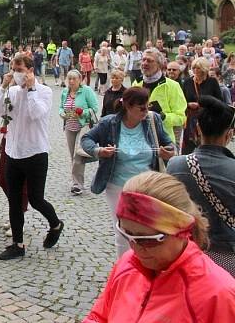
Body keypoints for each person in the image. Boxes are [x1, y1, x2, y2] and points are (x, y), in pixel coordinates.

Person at [84, 172, 235, 322]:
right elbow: (99, 316)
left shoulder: (218, 294)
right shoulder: (128, 264)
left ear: (182, 231)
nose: (135, 248)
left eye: (149, 240)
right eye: (127, 234)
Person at [81, 87, 175, 257]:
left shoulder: (152, 120)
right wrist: (99, 151)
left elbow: (170, 144)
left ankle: (145, 267)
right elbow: (86, 139)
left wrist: (168, 151)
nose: (146, 111)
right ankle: (124, 270)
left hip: (147, 187)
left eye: (147, 106)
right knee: (123, 231)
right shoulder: (109, 123)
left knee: (148, 231)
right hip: (117, 186)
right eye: (142, 108)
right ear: (128, 107)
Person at [0, 54, 64, 260]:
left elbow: (36, 113)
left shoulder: (45, 91)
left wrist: (31, 89)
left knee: (35, 198)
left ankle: (55, 224)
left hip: (35, 153)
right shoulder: (12, 92)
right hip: (13, 152)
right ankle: (18, 243)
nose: (16, 73)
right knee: (14, 201)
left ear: (30, 71)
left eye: (20, 69)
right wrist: (3, 87)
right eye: (13, 69)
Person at [167, 96, 235, 275]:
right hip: (227, 255)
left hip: (186, 254)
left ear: (197, 129)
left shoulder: (175, 165)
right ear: (229, 134)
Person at [132, 48, 187, 144]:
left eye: (149, 61)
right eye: (143, 60)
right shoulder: (136, 84)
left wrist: (162, 117)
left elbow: (181, 118)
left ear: (159, 65)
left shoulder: (172, 86)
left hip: (163, 141)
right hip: (140, 140)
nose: (145, 63)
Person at [60, 70, 100, 195]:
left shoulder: (86, 91)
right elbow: (61, 107)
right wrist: (62, 114)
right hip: (69, 126)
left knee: (78, 155)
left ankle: (77, 184)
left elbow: (94, 108)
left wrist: (82, 112)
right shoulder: (65, 91)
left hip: (84, 126)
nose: (71, 81)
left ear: (80, 80)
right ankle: (76, 180)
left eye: (74, 79)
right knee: (73, 155)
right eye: (69, 79)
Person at [181, 57, 223, 154]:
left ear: (204, 69)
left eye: (198, 68)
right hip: (191, 119)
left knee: (206, 145)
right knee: (189, 145)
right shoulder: (188, 82)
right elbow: (182, 100)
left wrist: (202, 104)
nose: (195, 70)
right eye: (194, 67)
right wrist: (188, 104)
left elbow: (219, 101)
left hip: (208, 118)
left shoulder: (212, 82)